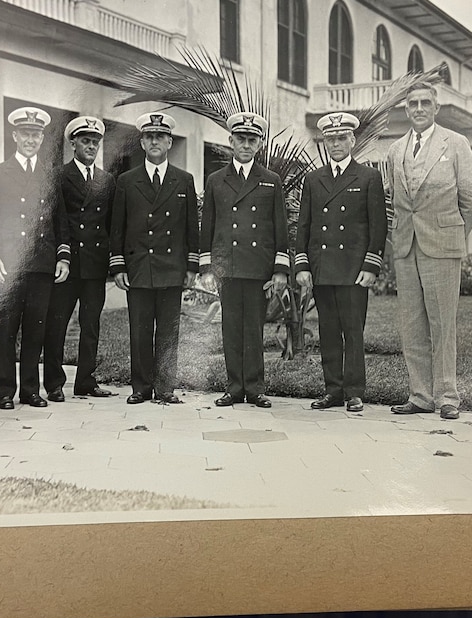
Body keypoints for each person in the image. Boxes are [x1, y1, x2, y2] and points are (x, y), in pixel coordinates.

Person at [384, 82, 472, 420]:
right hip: (406, 245)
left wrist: (451, 231)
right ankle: (420, 395)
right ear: (406, 110)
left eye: (426, 102)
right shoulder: (396, 150)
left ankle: (447, 396)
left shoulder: (455, 144)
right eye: (413, 103)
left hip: (442, 245)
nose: (419, 108)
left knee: (443, 323)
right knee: (411, 323)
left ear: (436, 108)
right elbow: (391, 198)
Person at [294, 112, 387, 413]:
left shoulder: (368, 177)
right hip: (323, 268)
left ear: (352, 140)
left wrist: (371, 266)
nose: (335, 144)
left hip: (353, 269)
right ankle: (333, 390)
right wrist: (303, 265)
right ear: (324, 141)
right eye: (330, 139)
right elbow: (304, 226)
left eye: (341, 138)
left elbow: (378, 226)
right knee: (328, 330)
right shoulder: (313, 179)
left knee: (353, 331)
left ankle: (354, 392)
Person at [0, 106, 70, 410]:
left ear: (42, 138)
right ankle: (5, 390)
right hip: (9, 265)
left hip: (42, 264)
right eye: (25, 133)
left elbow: (61, 221)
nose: (30, 139)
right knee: (7, 329)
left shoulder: (50, 175)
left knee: (36, 328)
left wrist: (63, 257)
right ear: (14, 135)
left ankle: (30, 390)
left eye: (36, 134)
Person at [200, 112, 290, 409]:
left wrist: (279, 269)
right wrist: (206, 266)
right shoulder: (216, 180)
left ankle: (255, 387)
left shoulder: (270, 181)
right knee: (231, 328)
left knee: (253, 328)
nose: (246, 145)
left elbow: (280, 226)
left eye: (252, 140)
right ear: (231, 141)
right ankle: (234, 388)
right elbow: (208, 225)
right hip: (228, 266)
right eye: (241, 139)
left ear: (260, 144)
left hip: (257, 266)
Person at [109, 112, 199, 405]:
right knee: (140, 330)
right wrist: (118, 265)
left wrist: (191, 266)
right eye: (149, 137)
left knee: (168, 331)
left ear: (170, 142)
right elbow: (117, 228)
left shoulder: (184, 180)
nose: (155, 141)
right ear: (142, 143)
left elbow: (190, 228)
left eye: (160, 137)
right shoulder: (126, 180)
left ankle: (165, 388)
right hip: (139, 267)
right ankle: (140, 387)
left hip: (172, 268)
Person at [43, 115, 116, 401]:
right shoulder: (58, 176)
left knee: (91, 324)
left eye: (95, 142)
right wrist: (61, 256)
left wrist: (111, 257)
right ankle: (54, 383)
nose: (91, 146)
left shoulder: (106, 180)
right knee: (57, 323)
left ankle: (85, 380)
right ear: (73, 143)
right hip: (68, 262)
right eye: (85, 141)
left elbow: (110, 223)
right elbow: (56, 220)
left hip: (95, 264)